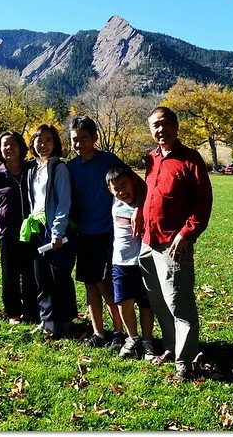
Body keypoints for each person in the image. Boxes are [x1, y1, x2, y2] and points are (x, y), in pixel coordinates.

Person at [137, 106, 213, 381]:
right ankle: (171, 348)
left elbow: (203, 205)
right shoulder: (151, 158)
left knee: (180, 305)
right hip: (148, 241)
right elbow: (147, 195)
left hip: (173, 244)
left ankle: (186, 362)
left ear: (175, 125)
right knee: (158, 302)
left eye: (164, 123)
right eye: (154, 126)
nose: (160, 130)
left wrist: (185, 234)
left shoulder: (190, 160)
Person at [66, 116, 126, 350]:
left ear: (94, 138)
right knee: (90, 284)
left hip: (107, 232)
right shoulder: (70, 168)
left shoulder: (108, 161)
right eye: (74, 140)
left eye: (84, 139)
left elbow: (129, 184)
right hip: (83, 234)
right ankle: (99, 332)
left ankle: (120, 331)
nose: (79, 144)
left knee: (106, 284)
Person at [21, 124, 77, 338]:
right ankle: (47, 321)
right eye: (39, 140)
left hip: (55, 230)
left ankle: (65, 322)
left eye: (48, 140)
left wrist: (57, 233)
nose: (43, 144)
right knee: (42, 278)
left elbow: (64, 202)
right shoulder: (33, 170)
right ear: (32, 143)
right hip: (37, 229)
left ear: (55, 144)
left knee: (59, 277)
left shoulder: (59, 168)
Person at [0, 131, 38, 325]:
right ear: (0, 150)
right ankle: (13, 312)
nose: (9, 148)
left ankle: (31, 310)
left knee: (31, 273)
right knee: (10, 275)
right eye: (5, 145)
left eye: (13, 144)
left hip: (32, 231)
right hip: (8, 234)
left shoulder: (31, 170)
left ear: (21, 147)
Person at [106, 164, 155, 360]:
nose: (121, 191)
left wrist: (140, 208)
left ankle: (148, 341)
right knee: (123, 302)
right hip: (120, 261)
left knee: (145, 304)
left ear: (133, 181)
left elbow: (146, 185)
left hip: (143, 261)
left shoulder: (145, 200)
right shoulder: (115, 201)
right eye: (115, 188)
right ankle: (132, 338)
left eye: (124, 185)